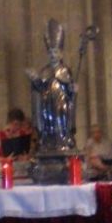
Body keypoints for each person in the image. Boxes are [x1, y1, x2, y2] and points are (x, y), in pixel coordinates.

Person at [26, 19, 76, 152]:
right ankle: (47, 143)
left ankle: (64, 141)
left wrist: (73, 90)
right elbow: (40, 88)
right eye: (51, 53)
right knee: (49, 126)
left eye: (55, 52)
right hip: (47, 106)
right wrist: (35, 80)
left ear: (61, 54)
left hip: (61, 106)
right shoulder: (44, 71)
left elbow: (70, 91)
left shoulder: (65, 70)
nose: (53, 55)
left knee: (61, 126)